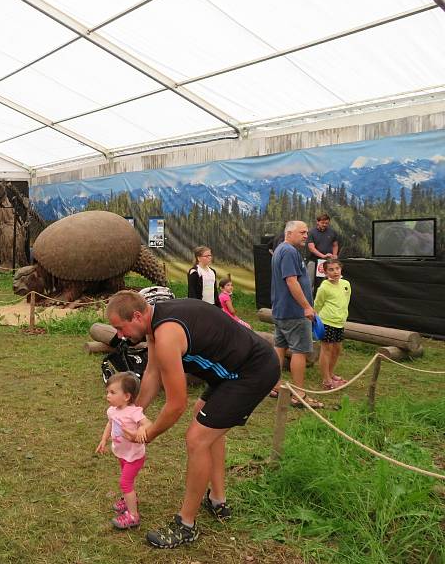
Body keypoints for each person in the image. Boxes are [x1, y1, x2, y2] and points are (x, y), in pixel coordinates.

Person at [105, 292, 279, 549]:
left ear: (138, 316)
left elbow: (176, 405)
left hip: (252, 371)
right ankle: (218, 500)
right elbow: (152, 373)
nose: (120, 335)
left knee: (197, 438)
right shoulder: (155, 323)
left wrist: (147, 435)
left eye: (121, 327)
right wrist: (130, 415)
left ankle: (186, 525)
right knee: (206, 421)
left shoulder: (166, 336)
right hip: (233, 369)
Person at [269, 221, 323, 408]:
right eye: (302, 232)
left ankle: (274, 386)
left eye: (307, 232)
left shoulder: (280, 250)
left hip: (281, 311)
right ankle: (299, 395)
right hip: (294, 312)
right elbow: (291, 281)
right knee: (300, 351)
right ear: (289, 233)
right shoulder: (289, 252)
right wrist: (307, 307)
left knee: (280, 347)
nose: (306, 235)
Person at [95, 373, 151, 530]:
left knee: (125, 482)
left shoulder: (134, 412)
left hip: (134, 456)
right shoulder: (113, 410)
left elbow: (147, 423)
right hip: (121, 453)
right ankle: (130, 499)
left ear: (126, 396)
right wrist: (104, 439)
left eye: (112, 392)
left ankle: (133, 516)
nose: (108, 396)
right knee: (127, 482)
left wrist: (141, 429)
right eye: (107, 392)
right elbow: (110, 424)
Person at [313, 259, 351, 390]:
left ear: (341, 269)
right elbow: (317, 304)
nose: (335, 272)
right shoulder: (324, 287)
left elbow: (346, 300)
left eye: (337, 268)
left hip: (339, 323)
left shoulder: (346, 284)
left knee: (337, 349)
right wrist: (315, 320)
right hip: (327, 322)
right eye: (331, 269)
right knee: (327, 350)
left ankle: (331, 373)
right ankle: (326, 380)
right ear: (325, 272)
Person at [307, 213, 339, 295]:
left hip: (328, 262)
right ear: (317, 222)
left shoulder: (332, 232)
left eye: (326, 223)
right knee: (310, 282)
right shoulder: (311, 232)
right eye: (322, 223)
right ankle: (309, 303)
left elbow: (335, 245)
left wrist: (335, 255)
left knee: (326, 282)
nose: (325, 225)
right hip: (314, 261)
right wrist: (323, 256)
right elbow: (311, 248)